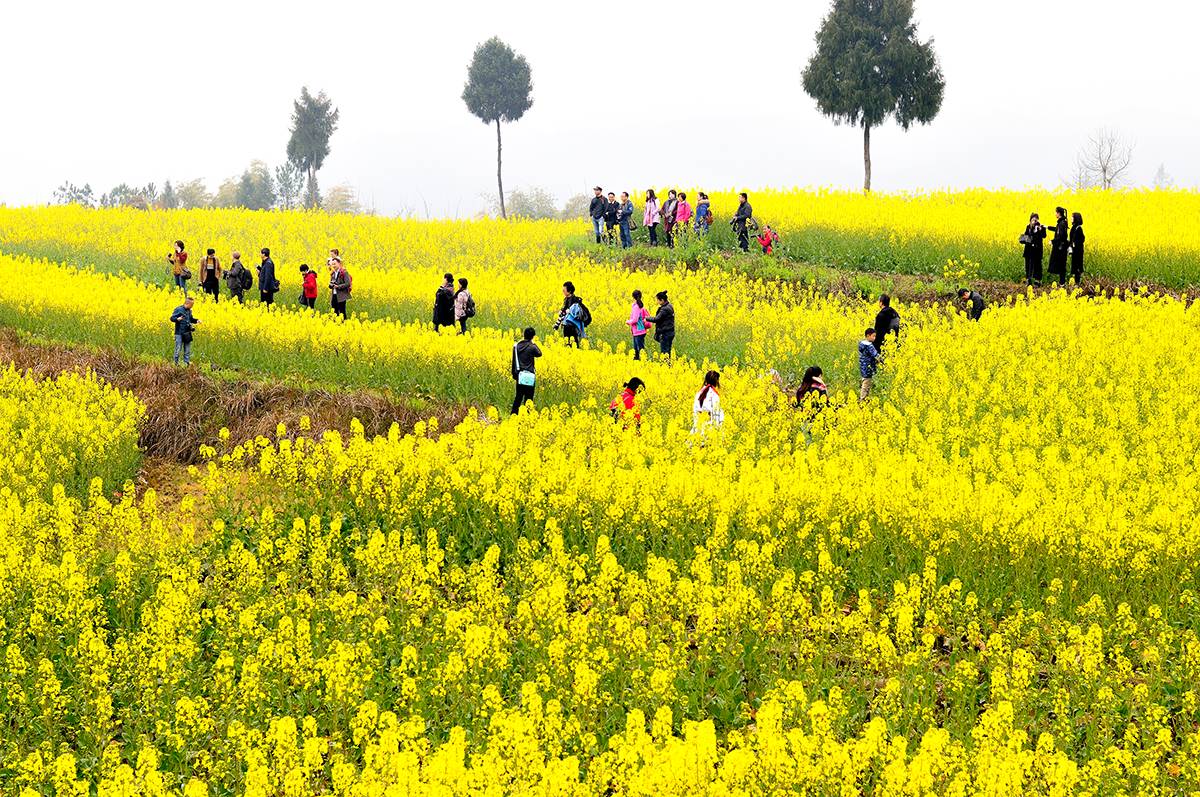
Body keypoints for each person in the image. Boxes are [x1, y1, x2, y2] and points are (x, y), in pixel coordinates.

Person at [511, 327, 542, 414]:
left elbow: (514, 361)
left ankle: (514, 414)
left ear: (523, 335)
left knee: (518, 397)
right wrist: (534, 343)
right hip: (529, 376)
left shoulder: (516, 346)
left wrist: (514, 374)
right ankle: (527, 415)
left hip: (520, 375)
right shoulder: (532, 347)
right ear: (532, 336)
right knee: (529, 398)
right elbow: (539, 353)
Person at [646, 290, 675, 360]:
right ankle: (668, 366)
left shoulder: (664, 309)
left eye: (658, 300)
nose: (657, 302)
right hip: (670, 332)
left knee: (664, 351)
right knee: (668, 351)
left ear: (662, 300)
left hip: (665, 333)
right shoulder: (670, 305)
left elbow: (657, 319)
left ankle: (666, 366)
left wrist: (646, 318)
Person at [170, 296, 198, 366]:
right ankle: (175, 363)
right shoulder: (178, 309)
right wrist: (177, 319)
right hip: (179, 333)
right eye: (192, 305)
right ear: (188, 303)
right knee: (178, 349)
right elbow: (171, 318)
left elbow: (191, 319)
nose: (192, 306)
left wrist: (197, 320)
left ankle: (186, 363)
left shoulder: (189, 311)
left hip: (187, 333)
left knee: (187, 349)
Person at [1021, 212, 1047, 285]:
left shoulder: (1040, 227)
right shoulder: (1028, 227)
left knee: (1037, 265)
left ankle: (1037, 280)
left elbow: (1044, 236)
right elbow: (1026, 236)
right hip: (1029, 250)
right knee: (1028, 265)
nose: (1035, 221)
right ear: (1030, 220)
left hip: (1037, 250)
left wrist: (1040, 229)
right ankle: (1028, 279)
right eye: (1033, 220)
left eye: (1036, 220)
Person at [1047, 206, 1069, 283]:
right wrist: (1047, 227)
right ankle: (1062, 282)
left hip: (1060, 248)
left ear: (1059, 213)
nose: (1055, 214)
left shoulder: (1062, 223)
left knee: (1061, 265)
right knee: (1061, 265)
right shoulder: (1062, 222)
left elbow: (1061, 236)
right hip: (1061, 247)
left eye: (1056, 212)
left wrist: (1052, 241)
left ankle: (1062, 283)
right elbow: (1057, 229)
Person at [627, 289, 650, 360]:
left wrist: (628, 321)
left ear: (633, 297)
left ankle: (643, 363)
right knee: (637, 350)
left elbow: (635, 320)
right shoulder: (639, 305)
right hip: (639, 330)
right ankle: (637, 364)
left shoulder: (636, 307)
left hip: (638, 331)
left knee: (639, 350)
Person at [858, 329, 879, 401]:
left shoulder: (861, 344)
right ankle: (863, 399)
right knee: (866, 383)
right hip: (868, 367)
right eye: (873, 336)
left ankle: (865, 398)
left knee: (865, 381)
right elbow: (875, 355)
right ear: (868, 336)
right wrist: (883, 361)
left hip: (863, 366)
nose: (874, 338)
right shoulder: (869, 346)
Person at [1070, 212, 1085, 283]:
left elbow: (1082, 239)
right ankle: (1076, 282)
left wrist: (1075, 244)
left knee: (1077, 267)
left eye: (1072, 217)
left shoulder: (1079, 228)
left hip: (1078, 251)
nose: (1071, 218)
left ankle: (1077, 282)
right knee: (1075, 267)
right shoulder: (1074, 227)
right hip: (1074, 250)